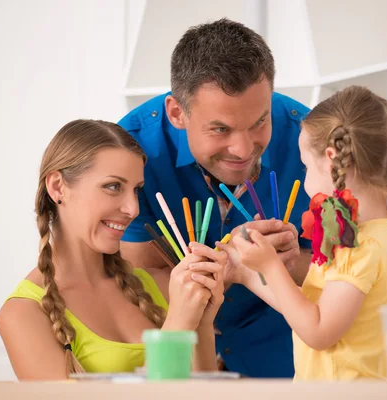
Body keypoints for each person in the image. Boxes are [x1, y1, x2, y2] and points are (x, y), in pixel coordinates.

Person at [117, 19, 311, 378]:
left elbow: (342, 269)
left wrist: (290, 262)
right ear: (178, 112)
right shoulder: (128, 151)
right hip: (175, 350)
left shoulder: (311, 140)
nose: (242, 149)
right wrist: (218, 271)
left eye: (259, 122)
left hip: (285, 356)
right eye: (220, 129)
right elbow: (137, 270)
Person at [227, 85, 387, 380]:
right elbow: (311, 310)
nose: (305, 177)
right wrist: (247, 274)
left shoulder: (359, 245)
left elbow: (318, 331)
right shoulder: (371, 234)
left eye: (305, 167)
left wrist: (270, 266)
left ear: (329, 158)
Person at [0, 119, 226, 380]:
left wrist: (202, 321)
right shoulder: (23, 314)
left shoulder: (162, 285)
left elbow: (204, 394)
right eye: (113, 186)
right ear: (58, 187)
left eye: (136, 190)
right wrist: (177, 326)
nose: (133, 209)